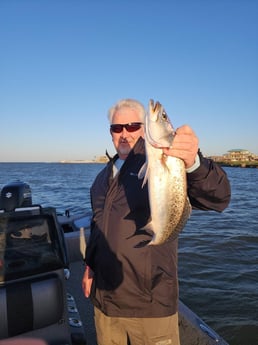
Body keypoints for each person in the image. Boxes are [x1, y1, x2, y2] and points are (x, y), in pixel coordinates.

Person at [82, 99, 231, 345]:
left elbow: (219, 197)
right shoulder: (102, 177)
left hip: (149, 304)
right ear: (110, 133)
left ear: (145, 128)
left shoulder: (166, 158)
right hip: (105, 301)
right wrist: (90, 266)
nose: (124, 134)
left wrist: (194, 163)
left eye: (132, 126)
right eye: (117, 128)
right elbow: (99, 227)